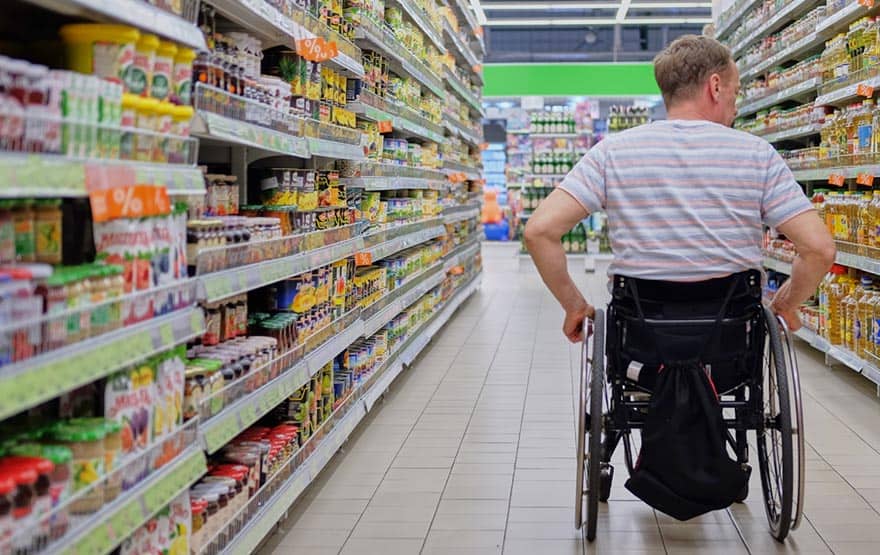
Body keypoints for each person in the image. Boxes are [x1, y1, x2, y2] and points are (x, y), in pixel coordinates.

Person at [524, 35, 836, 343]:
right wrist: (785, 305)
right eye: (735, 93)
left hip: (640, 335)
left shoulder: (612, 152)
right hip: (731, 337)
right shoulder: (758, 154)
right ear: (715, 87)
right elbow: (819, 249)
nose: (735, 105)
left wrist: (574, 306)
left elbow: (539, 232)